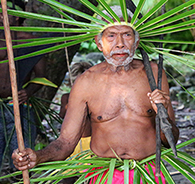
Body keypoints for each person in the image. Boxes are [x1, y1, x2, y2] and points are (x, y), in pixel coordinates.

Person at [12, 6, 179, 183]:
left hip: (148, 173)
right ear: (99, 43)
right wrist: (38, 156)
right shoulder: (86, 82)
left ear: (136, 42)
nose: (120, 43)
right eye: (111, 35)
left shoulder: (153, 74)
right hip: (104, 175)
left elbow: (171, 140)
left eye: (127, 35)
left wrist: (163, 113)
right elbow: (65, 143)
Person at [0, 0, 46, 171]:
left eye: (2, 12)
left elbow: (41, 77)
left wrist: (28, 91)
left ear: (17, 16)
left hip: (20, 107)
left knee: (22, 155)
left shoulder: (32, 43)